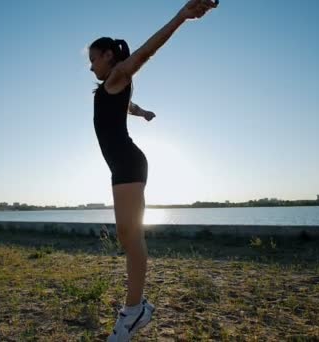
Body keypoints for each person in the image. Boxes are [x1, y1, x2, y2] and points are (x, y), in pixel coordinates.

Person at [88, 0, 218, 340]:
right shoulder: (109, 88)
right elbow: (123, 104)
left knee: (133, 237)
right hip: (122, 165)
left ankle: (134, 312)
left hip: (129, 163)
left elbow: (145, 53)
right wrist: (142, 111)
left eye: (93, 59)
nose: (90, 67)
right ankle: (136, 309)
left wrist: (181, 17)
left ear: (108, 56)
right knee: (126, 236)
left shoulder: (119, 74)